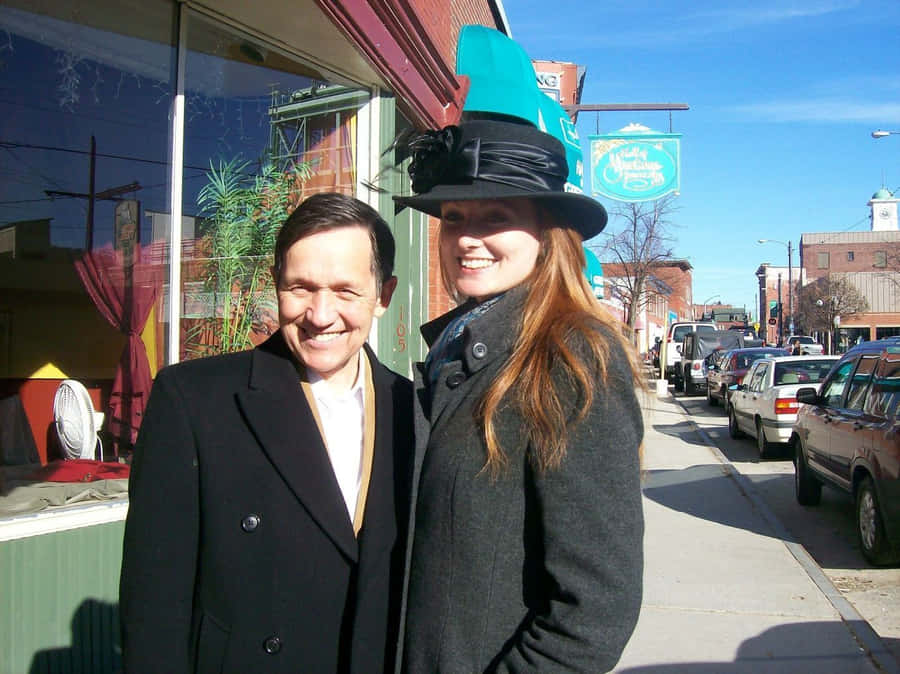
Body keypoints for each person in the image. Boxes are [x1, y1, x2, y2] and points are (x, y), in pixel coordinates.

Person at [119, 192, 413, 673]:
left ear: (383, 296)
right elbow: (154, 602)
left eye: (344, 291)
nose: (320, 315)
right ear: (275, 283)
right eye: (300, 288)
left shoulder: (413, 410)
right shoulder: (194, 400)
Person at [393, 119, 645, 672]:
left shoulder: (572, 359)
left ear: (546, 231)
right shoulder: (457, 346)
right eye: (454, 218)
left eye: (495, 217)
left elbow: (594, 613)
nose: (466, 238)